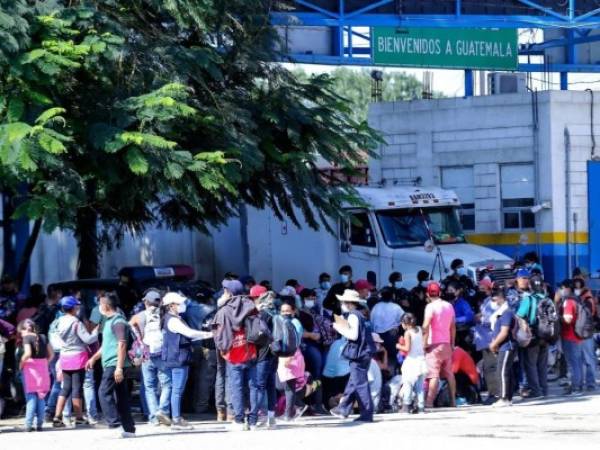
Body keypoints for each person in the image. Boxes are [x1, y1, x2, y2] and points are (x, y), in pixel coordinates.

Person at [159, 292, 213, 429]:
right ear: (171, 306)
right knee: (177, 390)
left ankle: (174, 417)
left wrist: (205, 336)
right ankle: (176, 419)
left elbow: (188, 336)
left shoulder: (171, 318)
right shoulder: (173, 320)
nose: (182, 305)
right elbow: (189, 333)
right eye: (179, 303)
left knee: (174, 389)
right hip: (178, 358)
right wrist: (210, 334)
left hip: (173, 357)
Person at [86, 293, 136, 438]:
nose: (98, 307)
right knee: (121, 396)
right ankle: (128, 429)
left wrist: (119, 368)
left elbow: (122, 345)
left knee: (103, 392)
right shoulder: (108, 322)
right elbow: (107, 344)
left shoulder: (118, 322)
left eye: (100, 304)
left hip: (115, 364)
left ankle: (114, 425)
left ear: (106, 306)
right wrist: (94, 358)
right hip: (111, 363)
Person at [213, 279, 259, 431]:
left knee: (236, 388)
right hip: (251, 351)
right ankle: (253, 421)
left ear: (228, 292)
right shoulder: (251, 306)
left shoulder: (224, 311)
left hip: (233, 355)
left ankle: (239, 420)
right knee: (253, 387)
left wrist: (223, 349)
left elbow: (218, 335)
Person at [52, 296, 98, 428]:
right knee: (77, 387)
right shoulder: (76, 323)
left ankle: (57, 417)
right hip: (78, 357)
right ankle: (79, 417)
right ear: (73, 308)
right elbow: (88, 339)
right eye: (76, 306)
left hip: (64, 356)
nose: (78, 308)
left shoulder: (58, 321)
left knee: (65, 388)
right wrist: (95, 332)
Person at [330, 289, 376, 422]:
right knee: (353, 382)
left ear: (349, 303)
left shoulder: (353, 316)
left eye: (343, 302)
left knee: (360, 383)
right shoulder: (360, 314)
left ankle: (367, 413)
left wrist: (338, 327)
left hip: (358, 354)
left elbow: (353, 335)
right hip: (364, 352)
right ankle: (343, 408)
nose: (342, 304)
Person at [129, 289, 171, 426]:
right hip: (162, 353)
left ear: (146, 302)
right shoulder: (165, 315)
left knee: (149, 387)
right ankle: (163, 411)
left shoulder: (140, 316)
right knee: (166, 384)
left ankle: (153, 417)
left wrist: (138, 338)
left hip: (146, 353)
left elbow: (130, 324)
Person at [422, 282, 457, 409]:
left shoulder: (430, 307)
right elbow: (453, 327)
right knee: (449, 373)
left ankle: (429, 402)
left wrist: (424, 343)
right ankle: (453, 401)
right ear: (440, 293)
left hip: (434, 344)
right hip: (447, 343)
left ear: (427, 294)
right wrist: (452, 343)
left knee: (433, 374)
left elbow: (426, 326)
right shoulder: (449, 306)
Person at [18, 318, 53, 432]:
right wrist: (44, 363)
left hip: (30, 369)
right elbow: (51, 354)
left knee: (31, 396)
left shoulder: (27, 338)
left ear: (24, 330)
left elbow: (27, 353)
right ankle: (39, 425)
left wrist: (21, 363)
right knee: (41, 396)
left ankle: (28, 425)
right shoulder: (43, 337)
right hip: (43, 368)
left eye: (21, 332)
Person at [516, 275, 548, 398]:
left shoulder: (528, 299)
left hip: (533, 335)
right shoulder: (546, 298)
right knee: (542, 365)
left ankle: (536, 391)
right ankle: (544, 389)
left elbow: (519, 315)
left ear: (530, 285)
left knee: (530, 365)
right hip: (546, 336)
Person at [251, 287, 278, 428]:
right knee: (270, 385)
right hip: (275, 352)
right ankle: (271, 417)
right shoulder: (275, 313)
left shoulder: (262, 315)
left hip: (263, 353)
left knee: (259, 385)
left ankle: (258, 416)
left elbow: (256, 336)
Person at [277, 301, 308, 422]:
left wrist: (289, 357)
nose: (285, 313)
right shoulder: (285, 322)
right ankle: (299, 406)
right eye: (283, 311)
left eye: (288, 311)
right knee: (283, 385)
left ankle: (288, 414)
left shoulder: (294, 323)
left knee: (289, 387)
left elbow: (294, 342)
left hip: (291, 356)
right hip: (286, 356)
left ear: (294, 311)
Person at [488, 288, 517, 407]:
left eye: (494, 298)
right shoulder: (501, 312)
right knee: (506, 371)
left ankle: (504, 398)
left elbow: (504, 332)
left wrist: (493, 344)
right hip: (502, 346)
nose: (492, 301)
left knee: (502, 372)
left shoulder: (506, 312)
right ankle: (508, 397)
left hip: (507, 346)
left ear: (500, 298)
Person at [473, 279, 500, 404]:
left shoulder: (492, 302)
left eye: (483, 288)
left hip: (490, 339)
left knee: (491, 368)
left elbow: (492, 319)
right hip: (485, 339)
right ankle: (495, 393)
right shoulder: (486, 302)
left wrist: (480, 317)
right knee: (489, 367)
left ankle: (495, 394)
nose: (480, 290)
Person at [557, 280, 585, 395]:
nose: (561, 290)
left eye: (562, 288)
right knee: (577, 362)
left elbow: (568, 319)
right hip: (578, 335)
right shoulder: (577, 299)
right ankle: (578, 385)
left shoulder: (569, 301)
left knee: (572, 363)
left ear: (567, 288)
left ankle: (576, 387)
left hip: (570, 336)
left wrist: (557, 317)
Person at [370, 287, 404, 373]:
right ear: (392, 296)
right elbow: (405, 319)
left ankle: (384, 375)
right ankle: (395, 374)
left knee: (381, 358)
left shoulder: (376, 307)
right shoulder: (396, 307)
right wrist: (396, 326)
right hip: (391, 335)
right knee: (394, 358)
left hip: (377, 337)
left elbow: (372, 321)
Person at [397, 313, 426, 413]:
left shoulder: (408, 333)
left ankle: (407, 405)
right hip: (422, 360)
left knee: (408, 383)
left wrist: (398, 346)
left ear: (405, 323)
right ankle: (421, 406)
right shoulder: (420, 329)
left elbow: (407, 348)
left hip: (412, 361)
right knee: (420, 386)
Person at [573, 278, 598, 391]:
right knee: (583, 359)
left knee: (588, 359)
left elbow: (590, 314)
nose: (577, 289)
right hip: (583, 332)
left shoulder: (587, 299)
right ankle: (584, 383)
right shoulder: (583, 298)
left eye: (579, 287)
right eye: (576, 287)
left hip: (585, 332)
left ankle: (590, 384)